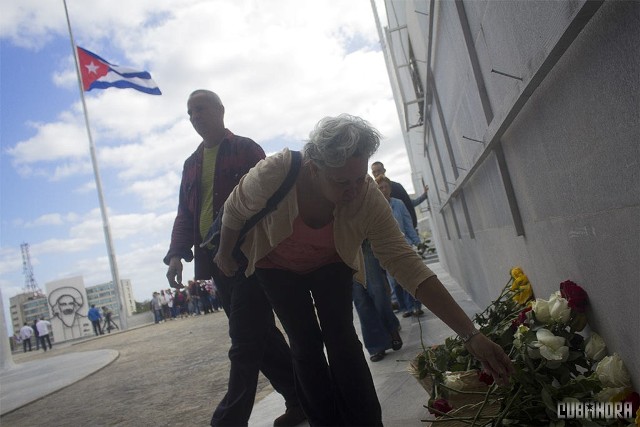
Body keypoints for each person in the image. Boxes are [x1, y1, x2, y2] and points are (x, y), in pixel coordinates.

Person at [214, 114, 513, 426]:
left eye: (359, 179)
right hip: (275, 264)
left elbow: (404, 262)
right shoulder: (276, 171)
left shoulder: (367, 195)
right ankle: (324, 420)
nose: (354, 190)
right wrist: (224, 253)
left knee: (342, 336)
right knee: (305, 343)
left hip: (331, 260)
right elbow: (235, 209)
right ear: (315, 168)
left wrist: (470, 333)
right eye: (342, 182)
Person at [163, 89, 304, 426]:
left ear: (220, 110)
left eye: (201, 108)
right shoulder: (191, 164)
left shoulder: (245, 148)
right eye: (190, 112)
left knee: (243, 340)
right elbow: (185, 212)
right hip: (214, 261)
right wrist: (175, 256)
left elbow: (271, 197)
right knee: (262, 336)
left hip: (250, 257)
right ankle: (303, 399)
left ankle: (227, 421)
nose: (195, 116)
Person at [376, 174, 425, 318]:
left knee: (410, 278)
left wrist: (417, 242)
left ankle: (416, 307)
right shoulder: (375, 208)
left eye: (385, 187)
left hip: (404, 245)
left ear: (390, 189)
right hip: (386, 251)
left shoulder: (399, 204)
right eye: (380, 188)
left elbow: (408, 224)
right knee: (396, 282)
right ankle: (406, 308)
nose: (383, 190)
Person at [370, 161, 429, 229]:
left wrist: (424, 196)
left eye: (379, 170)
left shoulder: (397, 187)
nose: (377, 173)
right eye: (374, 172)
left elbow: (409, 204)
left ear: (384, 170)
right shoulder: (371, 192)